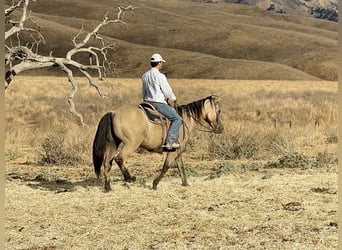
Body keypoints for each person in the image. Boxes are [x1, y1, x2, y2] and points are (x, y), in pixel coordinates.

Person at [142, 53, 182, 150]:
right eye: (161, 62)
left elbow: (143, 91)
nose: (162, 64)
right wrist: (173, 98)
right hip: (158, 103)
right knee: (177, 119)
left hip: (146, 103)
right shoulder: (160, 76)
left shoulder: (144, 75)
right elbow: (167, 91)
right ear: (159, 63)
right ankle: (170, 142)